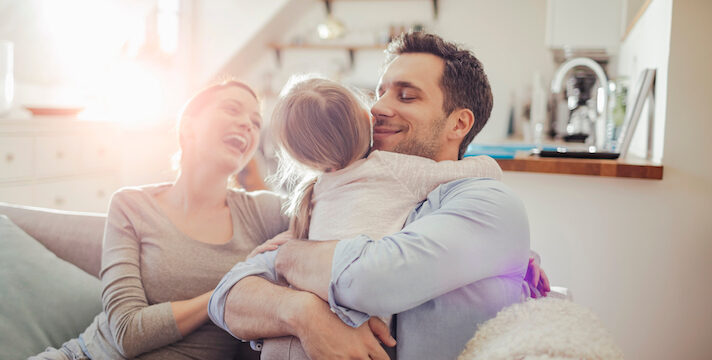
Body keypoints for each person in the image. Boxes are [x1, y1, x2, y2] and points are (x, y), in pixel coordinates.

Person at [208, 32, 549, 360]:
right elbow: (227, 297)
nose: (377, 108)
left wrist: (289, 255)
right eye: (379, 92)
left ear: (458, 124)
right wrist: (302, 312)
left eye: (405, 96)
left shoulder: (487, 202)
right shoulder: (351, 180)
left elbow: (371, 280)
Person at [29, 80, 289, 360]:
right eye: (232, 109)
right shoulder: (131, 205)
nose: (247, 125)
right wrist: (228, 290)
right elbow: (127, 333)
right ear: (188, 126)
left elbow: (330, 206)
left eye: (255, 121)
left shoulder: (264, 212)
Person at [255, 75, 505, 359]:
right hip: (353, 337)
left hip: (286, 342)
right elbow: (484, 172)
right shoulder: (390, 168)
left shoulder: (315, 191)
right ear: (366, 116)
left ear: (299, 156)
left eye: (406, 96)